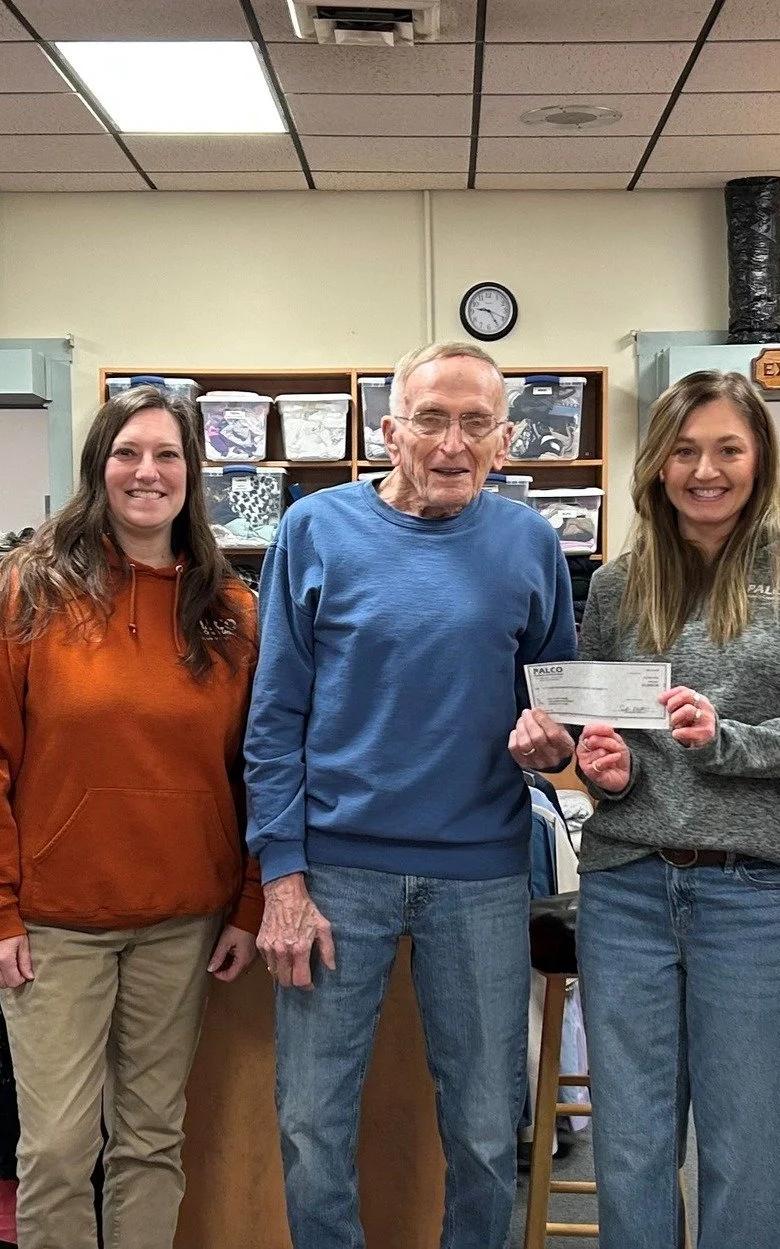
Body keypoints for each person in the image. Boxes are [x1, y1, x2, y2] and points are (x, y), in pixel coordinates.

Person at [511, 369, 780, 1249]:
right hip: (626, 888)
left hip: (753, 893)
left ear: (759, 458)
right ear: (657, 464)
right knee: (630, 1141)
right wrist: (605, 769)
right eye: (683, 450)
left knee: (748, 1140)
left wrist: (725, 741)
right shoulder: (617, 581)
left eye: (727, 448)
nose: (704, 469)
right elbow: (612, 742)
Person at [245, 341, 577, 1249]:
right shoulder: (313, 531)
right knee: (311, 1121)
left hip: (479, 875)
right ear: (387, 430)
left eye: (475, 423)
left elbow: (554, 712)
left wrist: (551, 747)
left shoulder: (530, 543)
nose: (451, 443)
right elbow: (274, 718)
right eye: (430, 418)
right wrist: (281, 877)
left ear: (504, 439)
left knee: (481, 1127)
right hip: (336, 868)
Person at [0, 384, 263, 1249]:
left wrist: (249, 901)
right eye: (128, 453)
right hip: (53, 924)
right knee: (56, 1147)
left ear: (192, 475)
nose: (146, 472)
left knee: (153, 1140)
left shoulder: (230, 614)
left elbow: (257, 772)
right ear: (98, 466)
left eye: (167, 455)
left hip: (182, 918)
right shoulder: (24, 597)